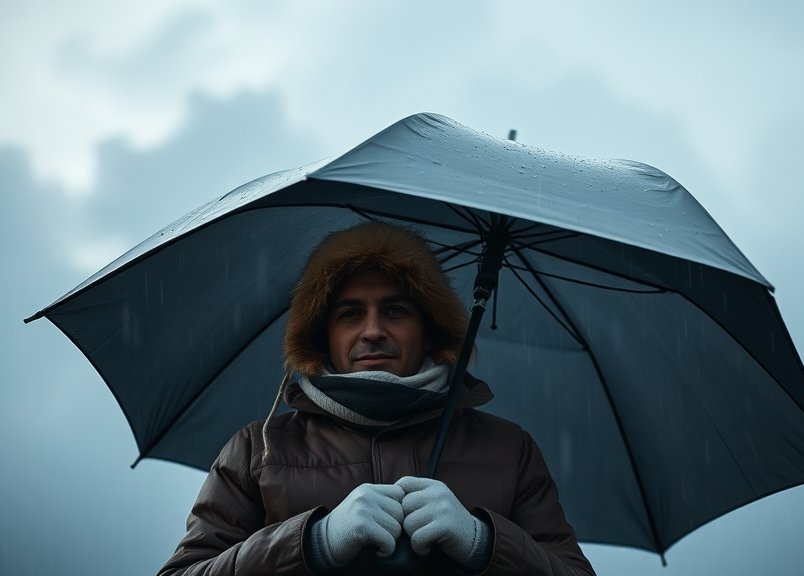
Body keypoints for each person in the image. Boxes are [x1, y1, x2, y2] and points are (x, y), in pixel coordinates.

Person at [158, 222, 594, 575]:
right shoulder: (258, 449)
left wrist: (484, 543)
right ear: (322, 335)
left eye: (395, 310)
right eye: (350, 314)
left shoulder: (509, 449)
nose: (372, 331)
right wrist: (313, 542)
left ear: (429, 328)